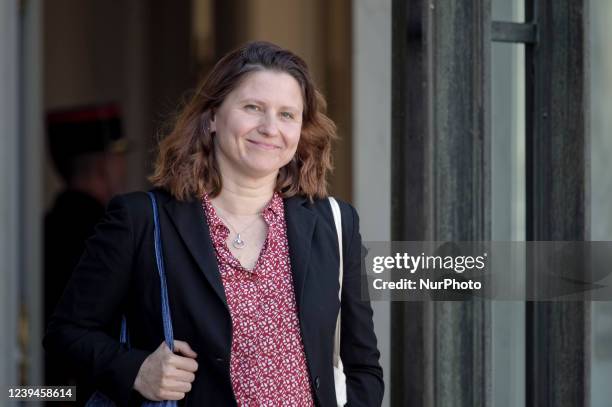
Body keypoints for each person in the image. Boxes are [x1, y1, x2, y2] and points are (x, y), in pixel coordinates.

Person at [44, 41, 383, 407]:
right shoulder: (141, 219)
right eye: (253, 107)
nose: (271, 128)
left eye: (288, 115)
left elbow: (363, 365)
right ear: (211, 118)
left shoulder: (336, 223)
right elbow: (66, 334)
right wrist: (136, 370)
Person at [44, 103, 127, 401]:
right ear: (105, 164)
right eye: (119, 156)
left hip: (47, 388)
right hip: (83, 389)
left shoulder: (48, 225)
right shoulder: (106, 232)